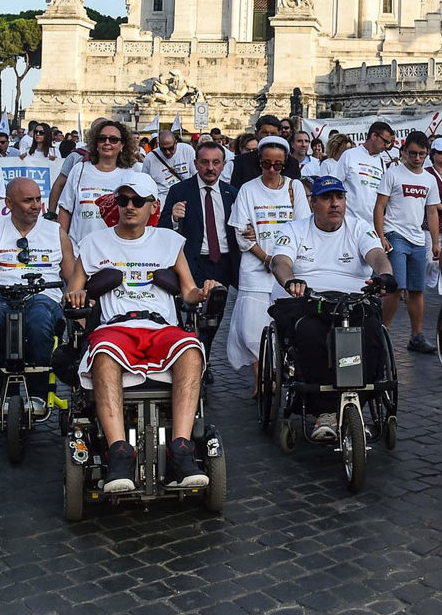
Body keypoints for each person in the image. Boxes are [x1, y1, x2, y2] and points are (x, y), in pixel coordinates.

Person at [63, 172, 214, 492]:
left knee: (190, 348)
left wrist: (200, 293)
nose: (129, 206)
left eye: (137, 201)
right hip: (116, 326)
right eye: (123, 200)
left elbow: (187, 291)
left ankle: (181, 448)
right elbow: (73, 293)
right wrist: (77, 296)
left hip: (160, 326)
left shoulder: (169, 241)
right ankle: (119, 452)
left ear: (152, 206)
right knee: (102, 352)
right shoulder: (93, 243)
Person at [271, 175, 396, 439]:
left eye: (339, 197)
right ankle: (324, 410)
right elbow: (280, 262)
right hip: (310, 298)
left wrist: (384, 274)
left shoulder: (359, 227)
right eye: (327, 198)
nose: (335, 204)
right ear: (313, 202)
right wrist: (290, 280)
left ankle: (358, 403)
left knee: (373, 330)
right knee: (309, 334)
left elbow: (377, 255)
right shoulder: (294, 229)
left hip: (353, 298)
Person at [0, 176, 73, 409]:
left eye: (38, 200)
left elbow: (72, 278)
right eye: (28, 201)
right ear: (9, 204)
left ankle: (38, 394)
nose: (36, 206)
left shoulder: (56, 232)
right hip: (1, 295)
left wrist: (77, 297)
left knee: (38, 321)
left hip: (43, 295)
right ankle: (3, 392)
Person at [227, 136, 311, 388]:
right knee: (252, 330)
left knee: (290, 326)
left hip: (288, 268)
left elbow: (303, 226)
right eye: (266, 165)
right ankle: (261, 380)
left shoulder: (295, 188)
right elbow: (241, 233)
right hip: (256, 267)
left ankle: (283, 372)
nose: (272, 170)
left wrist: (282, 259)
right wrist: (266, 257)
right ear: (259, 163)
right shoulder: (248, 190)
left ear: (285, 163)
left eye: (278, 165)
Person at [160, 140, 239, 378]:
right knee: (192, 314)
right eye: (204, 162)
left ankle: (203, 354)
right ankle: (193, 359)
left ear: (224, 165)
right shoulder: (179, 191)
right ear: (196, 163)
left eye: (216, 163)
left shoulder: (231, 193)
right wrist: (173, 218)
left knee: (215, 316)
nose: (210, 168)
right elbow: (161, 229)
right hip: (192, 263)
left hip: (222, 263)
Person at [374, 130, 442, 354]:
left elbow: (432, 212)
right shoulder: (393, 174)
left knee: (417, 290)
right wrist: (381, 236)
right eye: (412, 153)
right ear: (404, 152)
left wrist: (435, 242)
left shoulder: (429, 179)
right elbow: (379, 207)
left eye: (421, 154)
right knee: (396, 287)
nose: (416, 158)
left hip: (417, 238)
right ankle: (382, 333)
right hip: (395, 234)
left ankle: (416, 336)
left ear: (427, 154)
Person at [58, 119, 141, 246]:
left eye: (113, 139)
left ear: (122, 145)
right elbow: (65, 210)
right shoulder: (79, 170)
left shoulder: (130, 175)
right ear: (96, 143)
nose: (107, 143)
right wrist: (63, 248)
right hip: (78, 252)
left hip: (114, 254)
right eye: (102, 138)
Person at [336, 122, 395, 225]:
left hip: (372, 224)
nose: (386, 146)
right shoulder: (349, 155)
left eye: (388, 143)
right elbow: (335, 183)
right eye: (385, 141)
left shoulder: (381, 162)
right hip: (349, 221)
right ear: (374, 136)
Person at [230, 115, 302, 187]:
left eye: (273, 133)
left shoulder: (292, 163)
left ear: (279, 133)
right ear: (256, 134)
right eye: (265, 133)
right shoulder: (242, 161)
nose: (269, 136)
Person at [143, 128, 196, 206]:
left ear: (176, 143)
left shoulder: (187, 150)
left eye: (171, 148)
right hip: (162, 203)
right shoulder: (149, 159)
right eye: (163, 149)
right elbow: (145, 185)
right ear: (158, 145)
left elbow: (195, 176)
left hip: (184, 201)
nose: (167, 152)